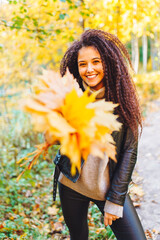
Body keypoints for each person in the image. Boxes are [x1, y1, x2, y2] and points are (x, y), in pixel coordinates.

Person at [52, 29, 146, 240]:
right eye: (82, 64)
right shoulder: (72, 95)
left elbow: (130, 151)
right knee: (78, 236)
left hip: (107, 188)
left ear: (108, 63)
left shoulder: (123, 97)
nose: (89, 69)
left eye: (96, 61)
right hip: (71, 184)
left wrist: (115, 199)